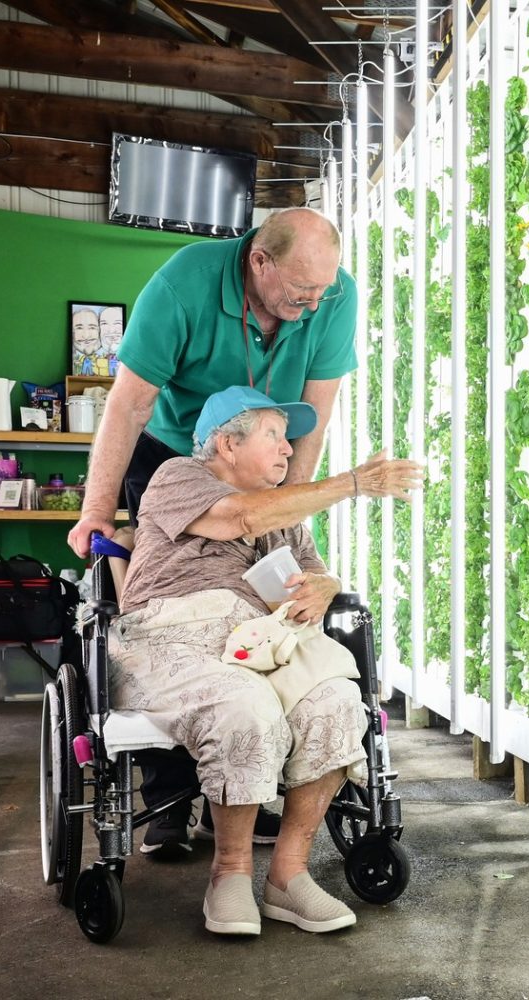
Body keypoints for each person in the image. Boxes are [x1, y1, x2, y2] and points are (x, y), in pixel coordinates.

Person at [67, 206, 360, 857]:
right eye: (300, 292)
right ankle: (169, 800)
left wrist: (286, 510)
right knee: (167, 604)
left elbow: (314, 418)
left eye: (322, 292)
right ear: (259, 261)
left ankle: (248, 787)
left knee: (261, 606)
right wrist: (97, 509)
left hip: (263, 448)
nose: (314, 305)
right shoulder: (184, 284)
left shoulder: (331, 294)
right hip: (176, 450)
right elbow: (129, 403)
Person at [109, 386, 422, 935]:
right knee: (244, 706)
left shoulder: (285, 513)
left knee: (337, 701)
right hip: (174, 635)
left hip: (262, 641)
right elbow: (238, 519)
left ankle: (288, 875)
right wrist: (351, 483)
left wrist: (326, 586)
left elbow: (314, 570)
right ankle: (229, 874)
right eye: (273, 435)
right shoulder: (177, 476)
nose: (288, 448)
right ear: (227, 445)